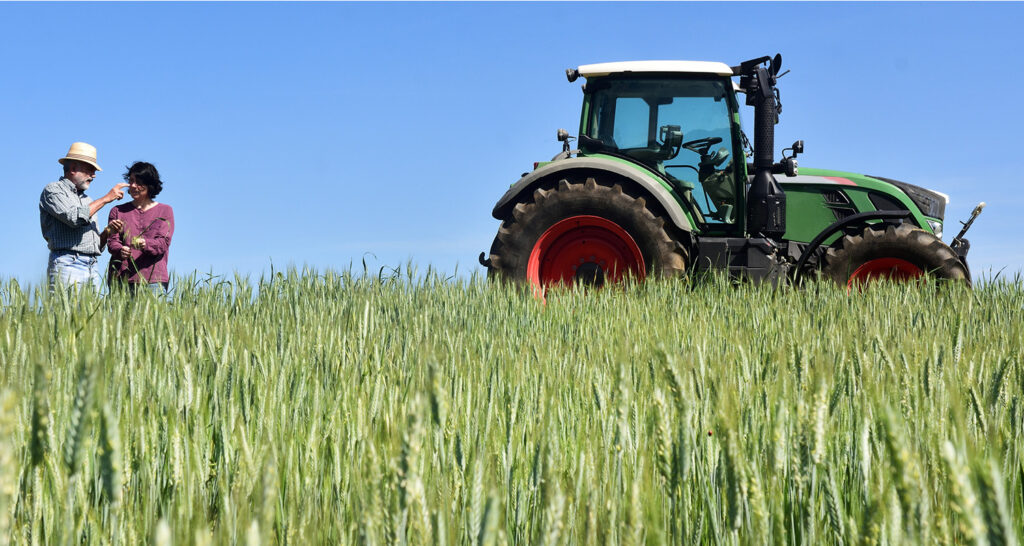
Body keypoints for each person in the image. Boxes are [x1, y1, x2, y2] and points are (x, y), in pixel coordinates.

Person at [40, 142, 128, 289]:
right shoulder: (53, 190)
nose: (93, 176)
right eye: (90, 170)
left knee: (88, 313)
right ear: (73, 168)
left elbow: (95, 246)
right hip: (68, 264)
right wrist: (107, 198)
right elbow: (74, 218)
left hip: (92, 266)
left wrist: (107, 232)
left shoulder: (88, 201)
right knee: (64, 312)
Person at [106, 161, 175, 294]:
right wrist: (120, 250)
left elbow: (163, 243)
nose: (133, 186)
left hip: (153, 280)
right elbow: (112, 242)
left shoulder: (165, 211)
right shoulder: (117, 211)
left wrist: (145, 244)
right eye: (131, 181)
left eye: (138, 182)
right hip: (121, 280)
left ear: (150, 185)